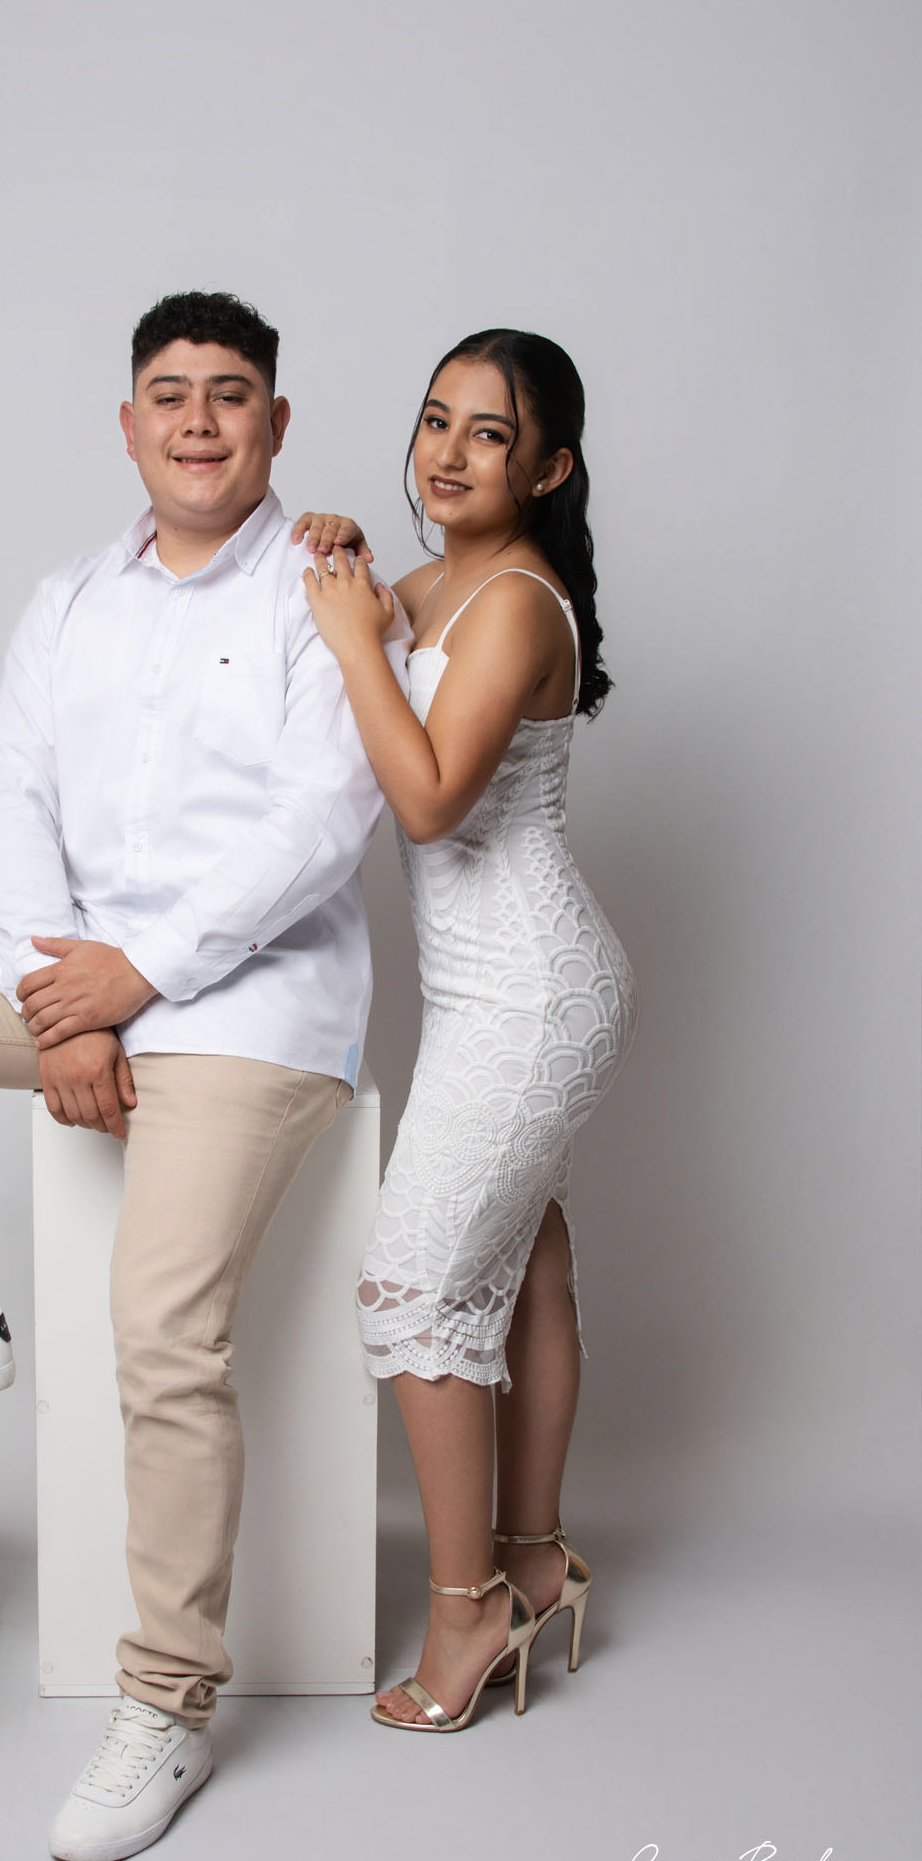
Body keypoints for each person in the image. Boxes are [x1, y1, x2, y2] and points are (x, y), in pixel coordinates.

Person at [0, 290, 407, 1860]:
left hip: (253, 1013)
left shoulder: (325, 587)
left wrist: (141, 974)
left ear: (275, 423)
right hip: (84, 987)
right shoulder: (66, 600)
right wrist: (61, 1004)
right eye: (169, 394)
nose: (198, 420)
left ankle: (166, 1704)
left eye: (231, 394)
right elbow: (11, 799)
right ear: (127, 425)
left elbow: (323, 823)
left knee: (159, 1330)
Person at [301, 329, 637, 1734]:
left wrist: (349, 636)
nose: (446, 451)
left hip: (533, 989)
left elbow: (432, 800)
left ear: (548, 468)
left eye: (487, 434)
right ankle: (534, 1559)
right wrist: (345, 568)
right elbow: (374, 629)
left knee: (414, 1288)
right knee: (519, 1265)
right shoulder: (443, 579)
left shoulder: (514, 601)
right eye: (435, 419)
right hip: (485, 991)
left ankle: (467, 1613)